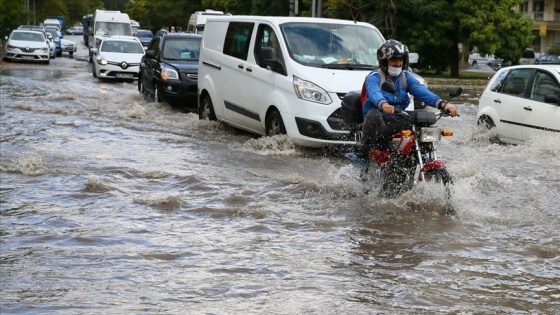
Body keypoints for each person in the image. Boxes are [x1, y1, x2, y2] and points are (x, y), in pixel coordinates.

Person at [348, 39, 459, 169]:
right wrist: (383, 103)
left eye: (401, 59)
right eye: (394, 59)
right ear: (384, 61)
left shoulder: (405, 76)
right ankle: (363, 155)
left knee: (424, 117)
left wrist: (443, 105)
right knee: (373, 115)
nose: (398, 63)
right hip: (380, 121)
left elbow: (422, 91)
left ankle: (419, 156)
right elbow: (374, 92)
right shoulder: (374, 76)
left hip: (398, 116)